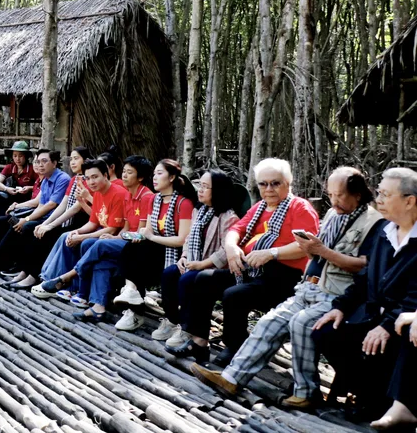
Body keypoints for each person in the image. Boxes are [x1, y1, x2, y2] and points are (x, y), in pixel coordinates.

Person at [192, 167, 384, 410]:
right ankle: (231, 379)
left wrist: (319, 252)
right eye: (331, 195)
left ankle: (306, 392)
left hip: (340, 293)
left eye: (340, 196)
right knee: (269, 322)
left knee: (301, 323)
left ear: (358, 194)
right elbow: (239, 229)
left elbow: (368, 267)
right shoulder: (335, 216)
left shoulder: (375, 223)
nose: (334, 201)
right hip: (310, 286)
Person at [167, 158, 319, 366]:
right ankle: (199, 342)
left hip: (283, 276)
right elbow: (236, 230)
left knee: (234, 295)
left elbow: (306, 245)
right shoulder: (259, 207)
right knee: (204, 278)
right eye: (263, 184)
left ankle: (235, 346)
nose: (269, 189)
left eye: (275, 183)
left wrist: (271, 253)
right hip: (251, 269)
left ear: (288, 183)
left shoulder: (299, 208)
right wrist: (231, 248)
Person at [312, 167, 417, 424]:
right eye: (378, 193)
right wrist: (340, 307)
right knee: (325, 332)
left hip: (402, 321)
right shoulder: (385, 231)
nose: (377, 199)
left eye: (385, 194)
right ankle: (364, 392)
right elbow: (365, 279)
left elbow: (414, 296)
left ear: (409, 200)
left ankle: (387, 404)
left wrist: (384, 325)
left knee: (395, 340)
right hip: (372, 316)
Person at [156, 169, 241, 345]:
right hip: (195, 263)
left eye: (205, 187)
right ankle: (173, 321)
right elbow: (188, 239)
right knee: (170, 273)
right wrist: (184, 257)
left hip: (216, 270)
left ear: (217, 190)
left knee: (188, 279)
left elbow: (226, 251)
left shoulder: (228, 217)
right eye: (199, 186)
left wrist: (202, 264)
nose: (200, 190)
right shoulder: (199, 211)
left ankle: (187, 329)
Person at [113, 159, 197, 332]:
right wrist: (137, 236)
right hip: (156, 248)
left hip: (175, 252)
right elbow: (148, 231)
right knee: (131, 247)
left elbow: (182, 239)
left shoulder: (184, 203)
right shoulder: (155, 200)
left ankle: (139, 306)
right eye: (155, 174)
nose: (155, 178)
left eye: (160, 174)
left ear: (172, 177)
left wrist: (149, 236)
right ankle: (132, 297)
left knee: (140, 252)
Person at [31, 158, 130, 304]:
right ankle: (63, 284)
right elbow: (93, 222)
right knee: (68, 236)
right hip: (100, 232)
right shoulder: (97, 193)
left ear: (105, 175)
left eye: (95, 177)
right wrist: (77, 232)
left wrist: (83, 237)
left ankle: (75, 287)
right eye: (88, 178)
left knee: (85, 242)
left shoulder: (118, 193)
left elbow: (112, 228)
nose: (91, 182)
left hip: (110, 237)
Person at [0, 149, 73, 286]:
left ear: (54, 163)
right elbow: (40, 204)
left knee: (21, 226)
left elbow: (51, 205)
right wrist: (18, 207)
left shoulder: (62, 179)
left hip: (53, 220)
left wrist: (27, 219)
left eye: (44, 161)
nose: (40, 165)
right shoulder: (45, 179)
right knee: (3, 220)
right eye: (38, 162)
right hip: (40, 216)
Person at [0, 155, 44, 256]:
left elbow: (36, 202)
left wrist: (18, 206)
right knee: (1, 219)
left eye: (21, 156)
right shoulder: (38, 180)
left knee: (12, 223)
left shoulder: (44, 180)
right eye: (36, 162)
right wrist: (7, 189)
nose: (38, 165)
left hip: (31, 213)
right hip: (24, 208)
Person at [0, 141, 36, 219]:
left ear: (26, 156)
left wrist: (30, 188)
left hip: (27, 200)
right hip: (10, 198)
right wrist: (7, 189)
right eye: (15, 156)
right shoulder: (9, 167)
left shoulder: (32, 169)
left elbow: (41, 186)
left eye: (20, 156)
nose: (17, 159)